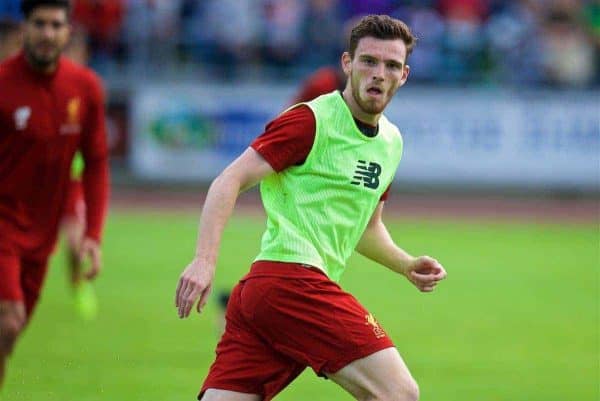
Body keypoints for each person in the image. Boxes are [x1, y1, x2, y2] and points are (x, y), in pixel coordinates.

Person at [175, 14, 447, 401]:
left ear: (404, 75)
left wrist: (406, 264)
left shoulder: (391, 142)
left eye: (390, 65)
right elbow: (229, 180)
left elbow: (366, 229)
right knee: (399, 394)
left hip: (264, 297)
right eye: (368, 61)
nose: (378, 74)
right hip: (293, 282)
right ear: (347, 64)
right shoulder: (310, 121)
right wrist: (204, 260)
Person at [0, 0, 109, 389]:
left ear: (68, 31)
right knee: (7, 317)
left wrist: (93, 235)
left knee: (9, 336)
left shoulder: (85, 88)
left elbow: (96, 163)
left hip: (42, 236)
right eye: (39, 24)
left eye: (55, 25)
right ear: (24, 28)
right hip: (3, 228)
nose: (47, 33)